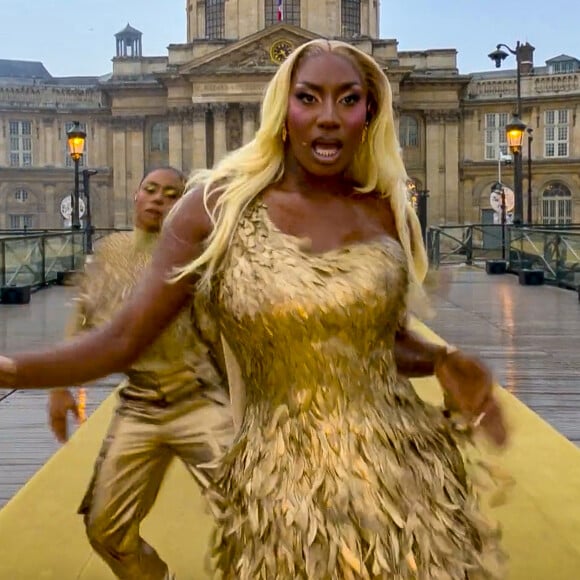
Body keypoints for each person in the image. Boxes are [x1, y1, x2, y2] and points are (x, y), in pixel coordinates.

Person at [0, 40, 507, 578]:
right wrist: (16, 369)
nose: (329, 118)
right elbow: (123, 339)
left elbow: (382, 338)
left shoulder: (382, 206)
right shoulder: (212, 207)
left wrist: (440, 359)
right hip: (282, 478)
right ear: (281, 109)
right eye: (308, 98)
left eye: (349, 99)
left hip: (402, 466)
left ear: (371, 113)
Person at [47, 167, 234, 580]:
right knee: (104, 528)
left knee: (251, 511)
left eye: (171, 195)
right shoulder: (111, 250)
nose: (157, 200)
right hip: (140, 405)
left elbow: (226, 330)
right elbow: (83, 319)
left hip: (200, 397)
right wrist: (61, 385)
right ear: (135, 195)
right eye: (151, 190)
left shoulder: (200, 255)